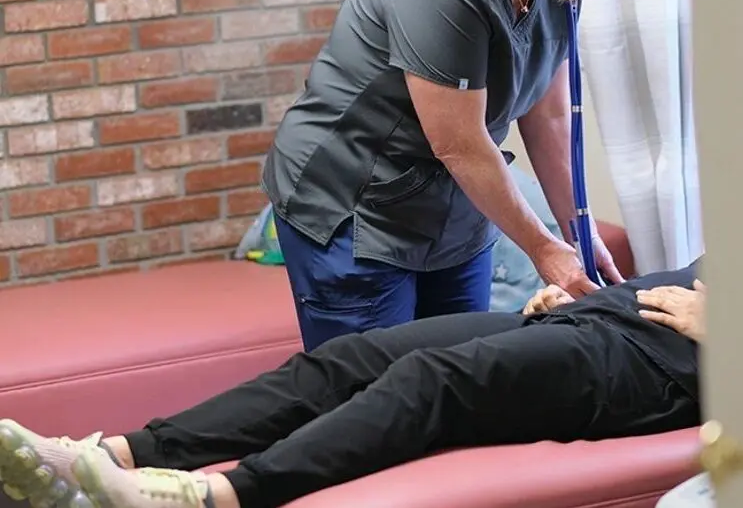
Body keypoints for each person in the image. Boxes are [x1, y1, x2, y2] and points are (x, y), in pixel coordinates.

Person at [261, 0, 674, 351]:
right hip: (354, 207)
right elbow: (459, 143)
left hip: (454, 208)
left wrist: (579, 231)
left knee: (459, 379)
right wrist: (541, 248)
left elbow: (550, 115)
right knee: (375, 394)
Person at [0, 262, 705, 508]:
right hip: (607, 314)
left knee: (438, 379)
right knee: (351, 356)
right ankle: (120, 456)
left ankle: (219, 494)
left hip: (668, 366)